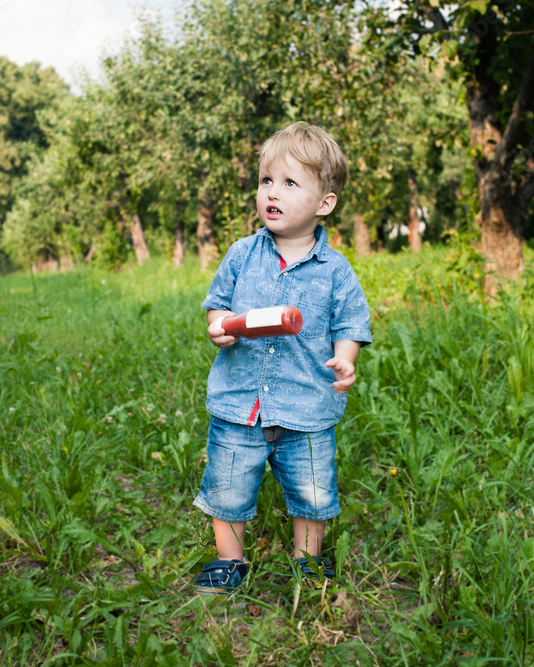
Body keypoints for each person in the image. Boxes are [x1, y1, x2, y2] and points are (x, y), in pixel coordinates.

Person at [192, 121, 372, 595]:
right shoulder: (240, 255)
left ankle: (306, 560)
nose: (272, 192)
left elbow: (350, 324)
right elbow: (218, 304)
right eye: (266, 181)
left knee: (312, 490)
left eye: (290, 183)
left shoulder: (336, 271)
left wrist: (345, 358)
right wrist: (219, 325)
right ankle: (229, 561)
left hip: (307, 405)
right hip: (240, 404)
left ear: (324, 203)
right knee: (229, 484)